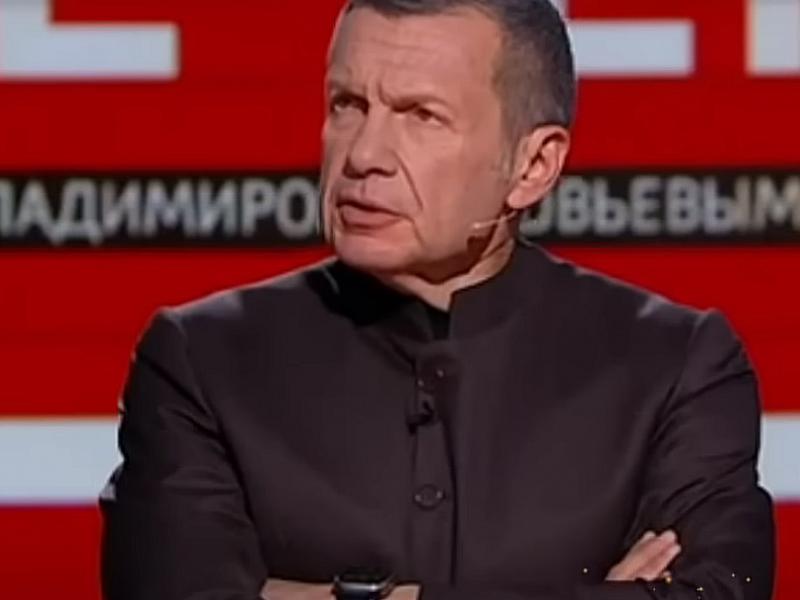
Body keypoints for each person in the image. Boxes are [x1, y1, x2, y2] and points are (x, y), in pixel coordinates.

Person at [100, 1, 775, 599]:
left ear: (533, 165)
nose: (364, 155)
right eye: (347, 105)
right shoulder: (202, 360)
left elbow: (720, 591)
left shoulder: (675, 366)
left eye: (421, 116)